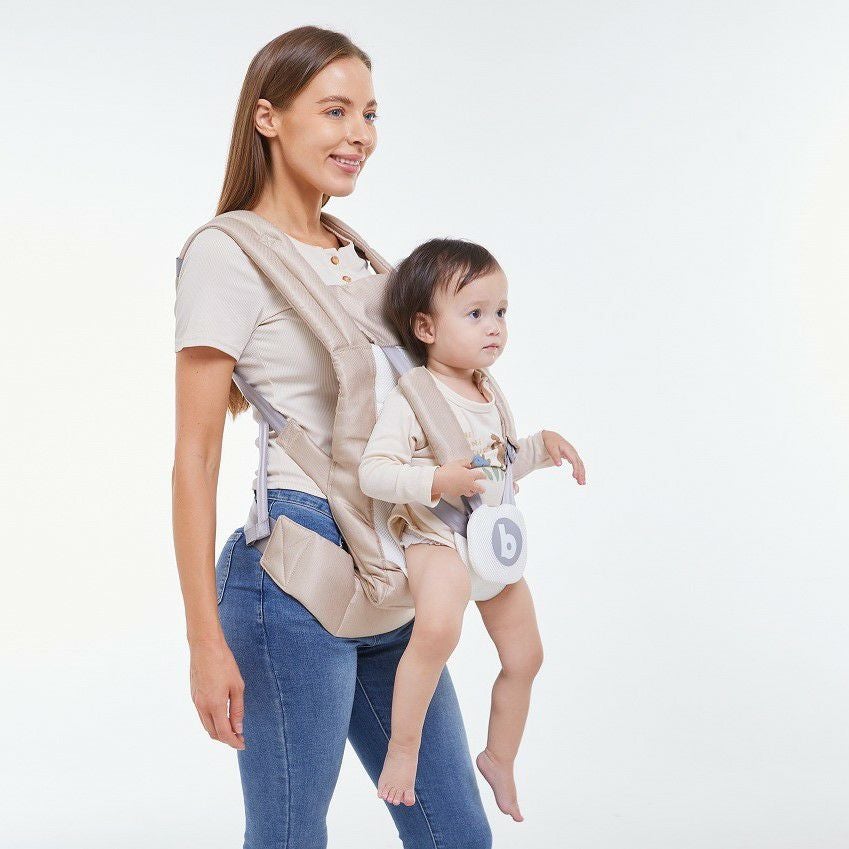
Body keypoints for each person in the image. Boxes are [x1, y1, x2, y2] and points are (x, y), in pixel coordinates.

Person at [172, 27, 492, 849]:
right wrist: (204, 640)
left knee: (457, 835)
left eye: (370, 114)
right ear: (268, 118)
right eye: (335, 110)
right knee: (288, 836)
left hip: (393, 569)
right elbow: (194, 458)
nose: (360, 134)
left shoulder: (361, 256)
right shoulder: (226, 253)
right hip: (294, 578)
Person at [358, 238, 587, 821]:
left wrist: (540, 449)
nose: (495, 327)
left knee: (527, 657)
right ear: (426, 328)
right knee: (437, 631)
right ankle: (403, 748)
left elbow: (496, 467)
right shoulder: (416, 396)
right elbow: (374, 472)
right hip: (437, 537)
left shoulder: (487, 391)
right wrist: (435, 479)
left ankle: (499, 757)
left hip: (491, 543)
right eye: (476, 313)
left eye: (501, 311)